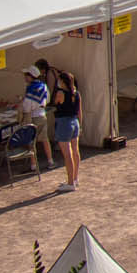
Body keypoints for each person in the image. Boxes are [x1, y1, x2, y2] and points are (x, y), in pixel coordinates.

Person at [46, 63, 82, 192]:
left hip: (64, 123)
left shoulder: (61, 93)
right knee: (75, 151)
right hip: (75, 122)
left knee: (67, 155)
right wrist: (80, 125)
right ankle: (75, 178)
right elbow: (79, 112)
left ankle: (70, 182)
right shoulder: (76, 93)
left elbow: (54, 104)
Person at [19, 62, 54, 170]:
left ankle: (33, 165)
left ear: (31, 76)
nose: (24, 77)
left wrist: (21, 103)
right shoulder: (43, 85)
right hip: (42, 115)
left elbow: (27, 107)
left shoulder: (30, 88)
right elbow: (47, 99)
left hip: (33, 117)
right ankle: (50, 161)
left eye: (26, 75)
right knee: (44, 139)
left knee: (31, 141)